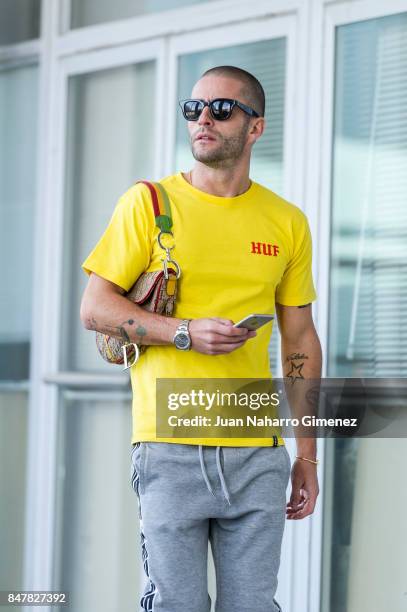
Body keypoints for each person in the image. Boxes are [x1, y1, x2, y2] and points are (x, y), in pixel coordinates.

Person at [80, 65, 322, 612]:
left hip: (257, 451)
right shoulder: (148, 204)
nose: (203, 119)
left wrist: (306, 454)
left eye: (221, 109)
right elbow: (94, 308)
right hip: (170, 447)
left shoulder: (286, 222)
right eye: (194, 109)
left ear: (255, 127)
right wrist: (183, 332)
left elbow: (300, 336)